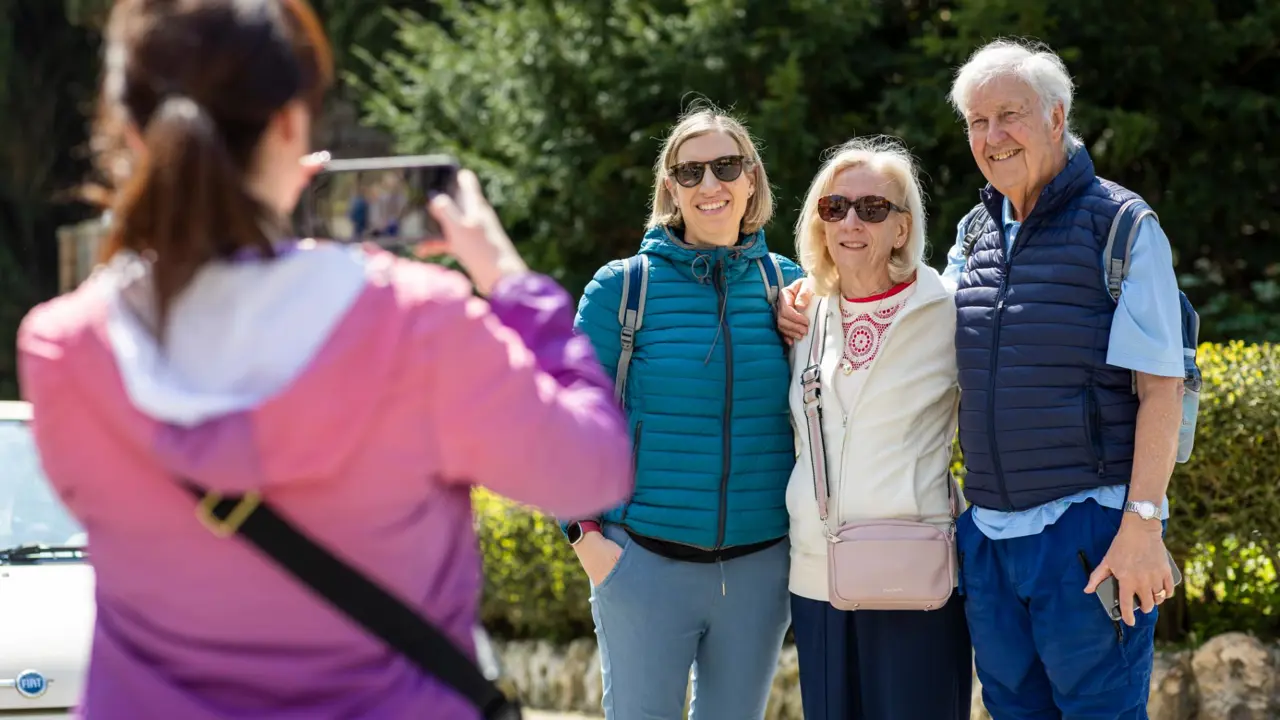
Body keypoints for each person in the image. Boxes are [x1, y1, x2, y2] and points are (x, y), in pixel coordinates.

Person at [16, 1, 633, 718]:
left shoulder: (60, 350)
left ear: (130, 133)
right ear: (290, 124)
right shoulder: (418, 321)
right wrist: (507, 278)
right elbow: (590, 470)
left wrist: (242, 220)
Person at [777, 38, 1184, 719]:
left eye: (1010, 115)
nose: (993, 137)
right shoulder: (973, 234)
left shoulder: (1123, 226)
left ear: (1057, 118)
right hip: (988, 542)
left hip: (1087, 535)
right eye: (977, 122)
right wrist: (806, 301)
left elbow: (1164, 387)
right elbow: (904, 304)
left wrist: (1143, 524)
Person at [562, 106, 804, 720]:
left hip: (759, 570)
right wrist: (584, 537)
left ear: (752, 178)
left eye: (726, 166)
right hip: (642, 564)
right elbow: (560, 425)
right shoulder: (623, 289)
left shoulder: (791, 286)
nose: (710, 184)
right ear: (670, 187)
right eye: (689, 171)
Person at [783, 137, 972, 720]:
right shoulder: (802, 314)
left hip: (915, 571)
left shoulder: (949, 308)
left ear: (901, 227)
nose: (851, 222)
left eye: (872, 209)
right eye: (835, 208)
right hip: (817, 575)